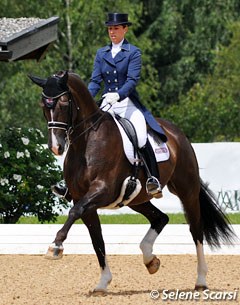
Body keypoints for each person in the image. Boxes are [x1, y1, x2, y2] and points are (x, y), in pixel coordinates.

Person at [53, 12, 167, 200]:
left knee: (139, 136)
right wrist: (86, 99)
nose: (112, 32)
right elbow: (96, 81)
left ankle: (152, 179)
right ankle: (68, 182)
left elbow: (132, 80)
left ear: (125, 29)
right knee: (80, 133)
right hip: (107, 102)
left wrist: (119, 94)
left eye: (116, 28)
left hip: (127, 103)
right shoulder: (101, 53)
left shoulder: (133, 52)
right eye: (110, 29)